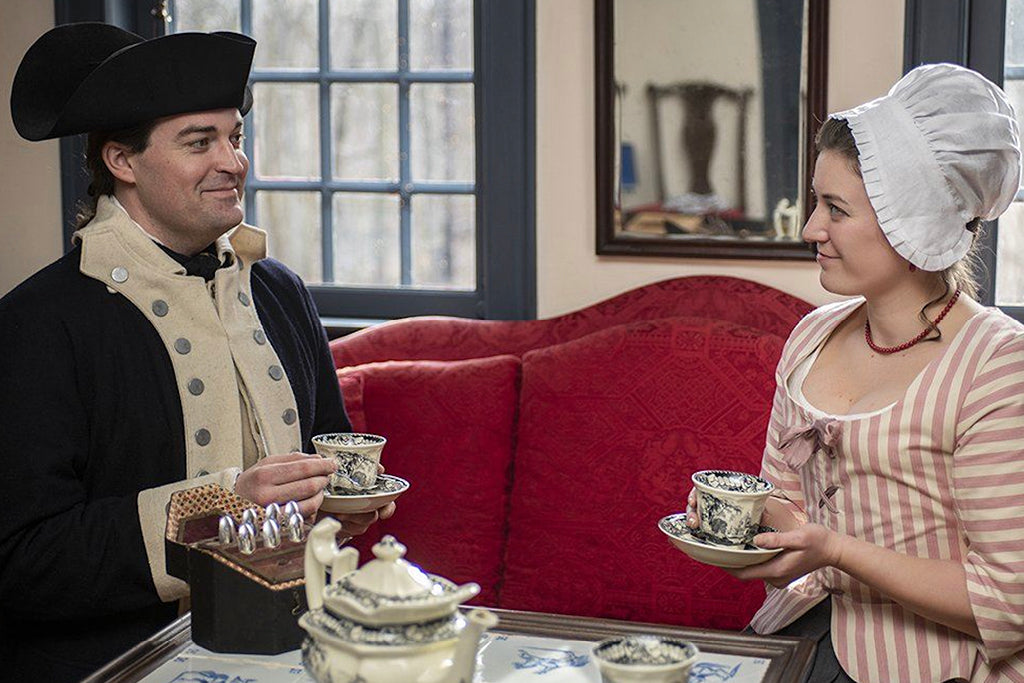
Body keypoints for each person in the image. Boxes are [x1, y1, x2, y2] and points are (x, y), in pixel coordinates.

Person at [0, 23, 393, 681]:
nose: (233, 161)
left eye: (235, 138)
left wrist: (340, 499)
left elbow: (332, 451)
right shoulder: (37, 323)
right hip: (115, 662)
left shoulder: (282, 292)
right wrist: (221, 508)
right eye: (198, 142)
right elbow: (23, 560)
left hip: (296, 639)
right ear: (122, 162)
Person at [688, 63, 1024, 681]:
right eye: (818, 201)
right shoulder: (812, 336)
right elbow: (786, 506)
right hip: (795, 636)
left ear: (911, 222)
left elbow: (1009, 601)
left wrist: (836, 550)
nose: (812, 228)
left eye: (835, 209)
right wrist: (741, 524)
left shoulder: (997, 365)